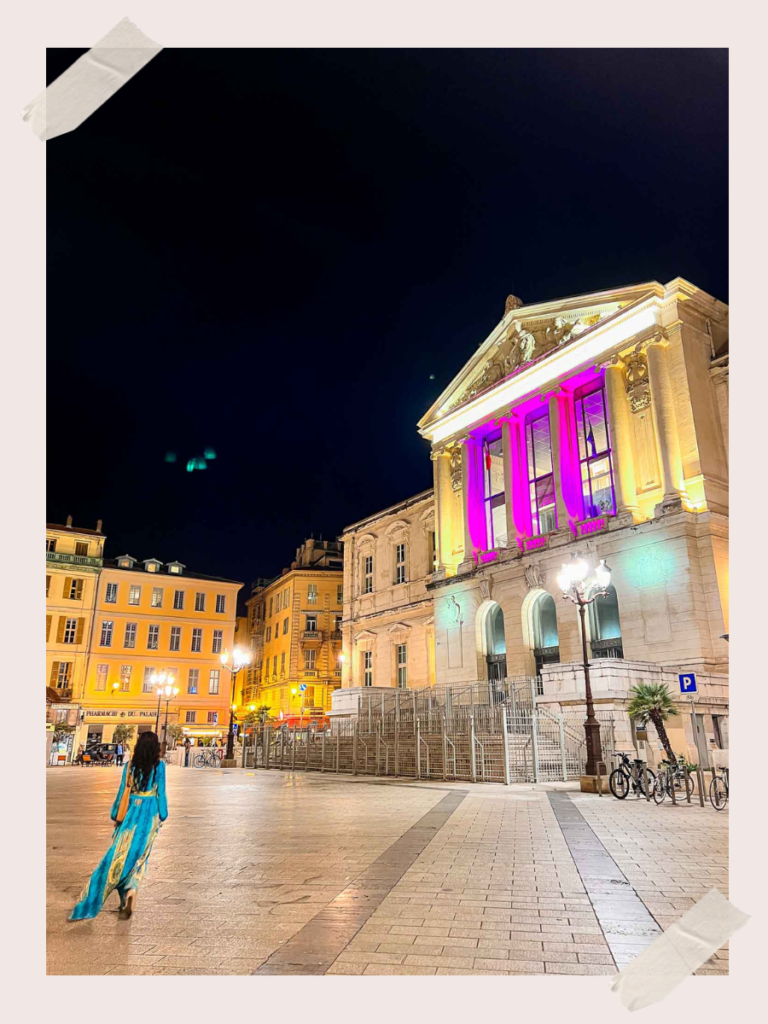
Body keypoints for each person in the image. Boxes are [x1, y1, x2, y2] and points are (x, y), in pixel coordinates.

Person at [69, 731, 168, 921]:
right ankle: (131, 889)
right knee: (139, 857)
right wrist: (163, 814)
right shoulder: (160, 767)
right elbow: (161, 792)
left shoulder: (130, 766)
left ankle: (117, 895)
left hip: (131, 812)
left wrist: (116, 814)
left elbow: (123, 790)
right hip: (150, 814)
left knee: (120, 853)